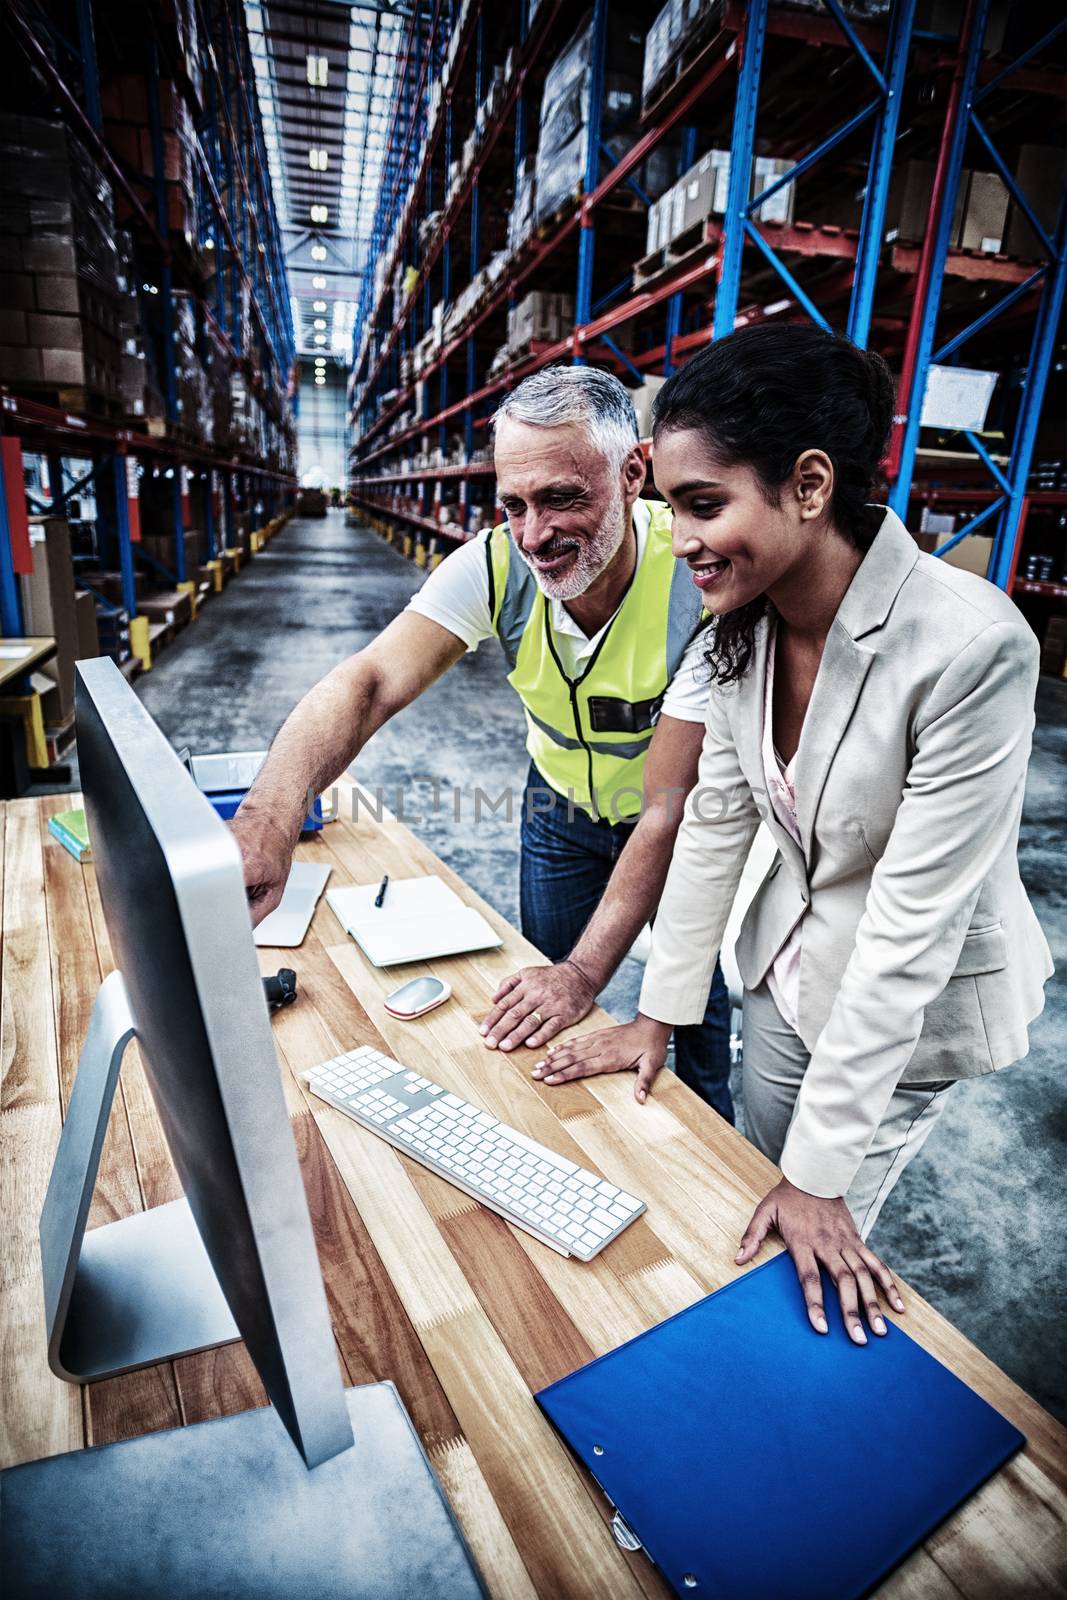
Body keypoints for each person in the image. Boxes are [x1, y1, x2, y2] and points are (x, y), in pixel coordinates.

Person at [533, 323, 1052, 1343]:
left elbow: (909, 929)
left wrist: (821, 1179)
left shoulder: (971, 647)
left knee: (804, 1236)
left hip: (914, 1007)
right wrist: (660, 1012)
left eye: (701, 504)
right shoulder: (742, 630)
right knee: (745, 1191)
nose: (676, 541)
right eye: (668, 507)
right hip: (779, 969)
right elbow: (711, 834)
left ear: (808, 486)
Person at [231, 365, 733, 1117]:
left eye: (563, 498)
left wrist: (587, 972)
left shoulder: (695, 574)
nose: (534, 535)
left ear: (634, 473)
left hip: (678, 818)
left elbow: (674, 807)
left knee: (689, 1001)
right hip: (559, 814)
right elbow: (369, 681)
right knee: (547, 996)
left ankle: (717, 1140)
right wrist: (269, 817)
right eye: (513, 506)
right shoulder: (495, 566)